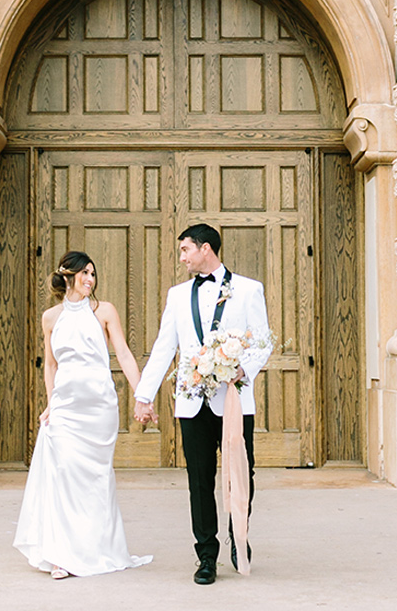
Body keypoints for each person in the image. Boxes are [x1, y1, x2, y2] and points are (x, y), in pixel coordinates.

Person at [134, 224, 272, 585]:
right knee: (199, 480)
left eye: (185, 250)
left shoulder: (248, 290)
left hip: (233, 400)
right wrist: (144, 395)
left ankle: (238, 535)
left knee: (241, 475)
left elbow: (262, 342)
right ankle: (206, 554)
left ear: (205, 249)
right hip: (191, 402)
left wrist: (242, 367)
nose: (181, 258)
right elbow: (165, 345)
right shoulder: (177, 295)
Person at [14, 251, 152, 579]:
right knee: (62, 477)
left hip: (99, 407)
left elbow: (124, 353)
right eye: (84, 273)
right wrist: (50, 403)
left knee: (95, 480)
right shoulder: (50, 317)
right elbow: (50, 364)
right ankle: (61, 556)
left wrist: (142, 395)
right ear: (68, 277)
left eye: (93, 273)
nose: (90, 279)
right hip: (65, 407)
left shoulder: (104, 311)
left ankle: (97, 549)